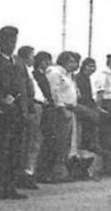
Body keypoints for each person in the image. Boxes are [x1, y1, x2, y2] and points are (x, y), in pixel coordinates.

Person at [0, 26, 28, 200]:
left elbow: (25, 88)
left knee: (15, 151)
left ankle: (10, 187)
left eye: (13, 41)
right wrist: (2, 101)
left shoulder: (19, 63)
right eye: (7, 41)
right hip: (3, 113)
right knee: (2, 151)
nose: (11, 45)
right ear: (0, 43)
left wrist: (27, 109)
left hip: (18, 112)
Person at [46, 51, 80, 182]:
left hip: (70, 109)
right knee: (59, 142)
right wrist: (61, 107)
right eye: (71, 61)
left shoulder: (68, 75)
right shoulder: (55, 73)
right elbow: (54, 91)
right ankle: (55, 172)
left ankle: (62, 171)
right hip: (61, 110)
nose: (74, 64)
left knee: (66, 143)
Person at [15, 46, 41, 190]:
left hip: (36, 106)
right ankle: (26, 174)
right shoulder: (21, 70)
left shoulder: (28, 71)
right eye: (32, 56)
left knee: (34, 142)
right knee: (30, 142)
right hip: (32, 107)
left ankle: (29, 172)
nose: (34, 59)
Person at [32, 51, 57, 183]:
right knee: (45, 140)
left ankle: (46, 172)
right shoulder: (35, 75)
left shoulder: (43, 75)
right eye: (44, 61)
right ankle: (41, 173)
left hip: (49, 108)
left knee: (50, 140)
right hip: (44, 109)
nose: (47, 64)